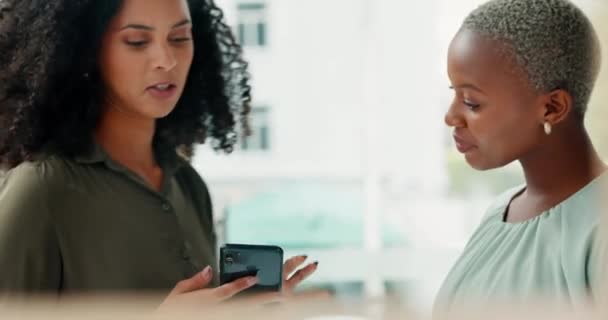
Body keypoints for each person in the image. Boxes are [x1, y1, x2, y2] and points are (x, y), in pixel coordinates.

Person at [0, 0, 317, 308]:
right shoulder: (40, 189)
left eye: (179, 38)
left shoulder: (189, 186)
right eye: (137, 41)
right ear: (86, 51)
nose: (167, 59)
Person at [435, 0, 606, 313]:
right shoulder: (498, 214)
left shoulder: (599, 229)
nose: (450, 116)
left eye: (471, 102)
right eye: (453, 93)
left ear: (552, 108)